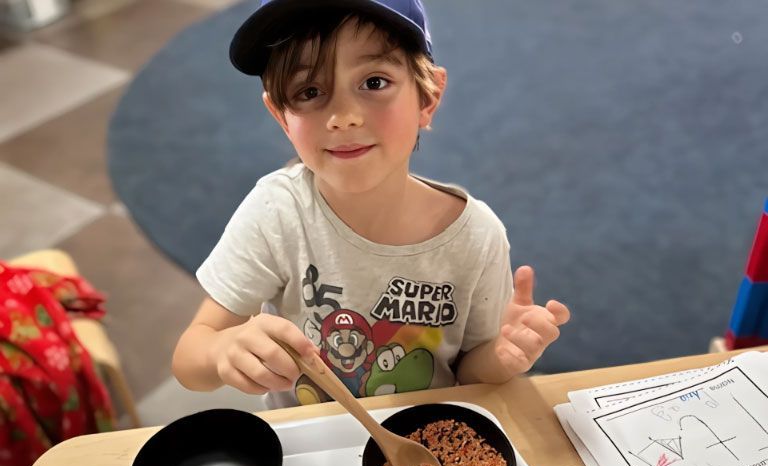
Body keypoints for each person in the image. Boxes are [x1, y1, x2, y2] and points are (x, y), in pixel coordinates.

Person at [172, 0, 571, 408]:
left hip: (427, 446)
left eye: (374, 82)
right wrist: (223, 351)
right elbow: (189, 360)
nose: (343, 117)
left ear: (428, 96)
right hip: (312, 445)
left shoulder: (476, 236)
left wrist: (501, 358)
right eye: (310, 91)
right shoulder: (278, 211)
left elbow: (469, 372)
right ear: (280, 116)